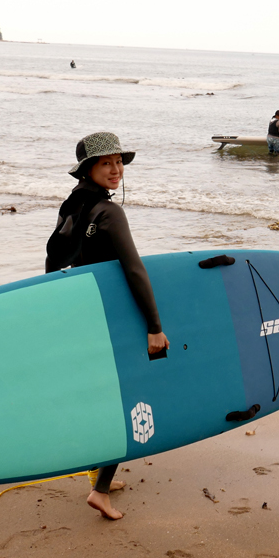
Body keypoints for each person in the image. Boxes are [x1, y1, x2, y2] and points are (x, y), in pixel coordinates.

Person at [45, 131, 169, 520]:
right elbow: (134, 270)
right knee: (126, 399)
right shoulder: (110, 213)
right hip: (110, 318)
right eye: (106, 163)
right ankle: (100, 491)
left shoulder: (73, 204)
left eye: (119, 161)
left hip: (81, 318)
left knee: (100, 396)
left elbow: (55, 263)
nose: (116, 170)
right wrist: (154, 326)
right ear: (88, 168)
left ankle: (100, 472)